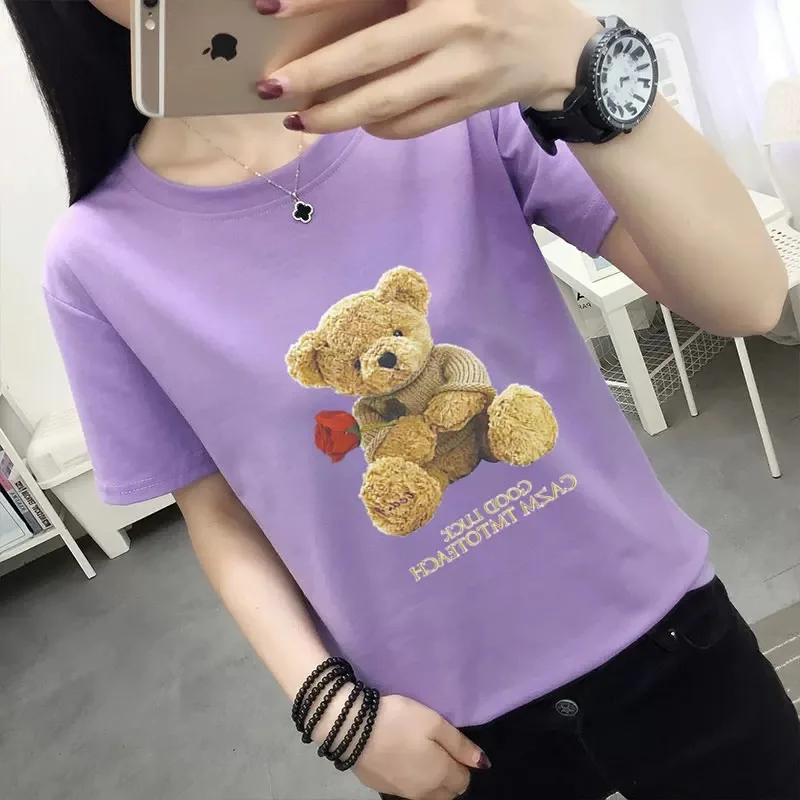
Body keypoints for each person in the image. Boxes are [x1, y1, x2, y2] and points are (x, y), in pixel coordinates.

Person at [6, 0, 798, 798]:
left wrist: (577, 57)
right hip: (444, 736)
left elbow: (749, 297)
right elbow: (214, 511)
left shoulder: (455, 93)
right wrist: (333, 713)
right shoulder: (96, 261)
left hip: (666, 635)